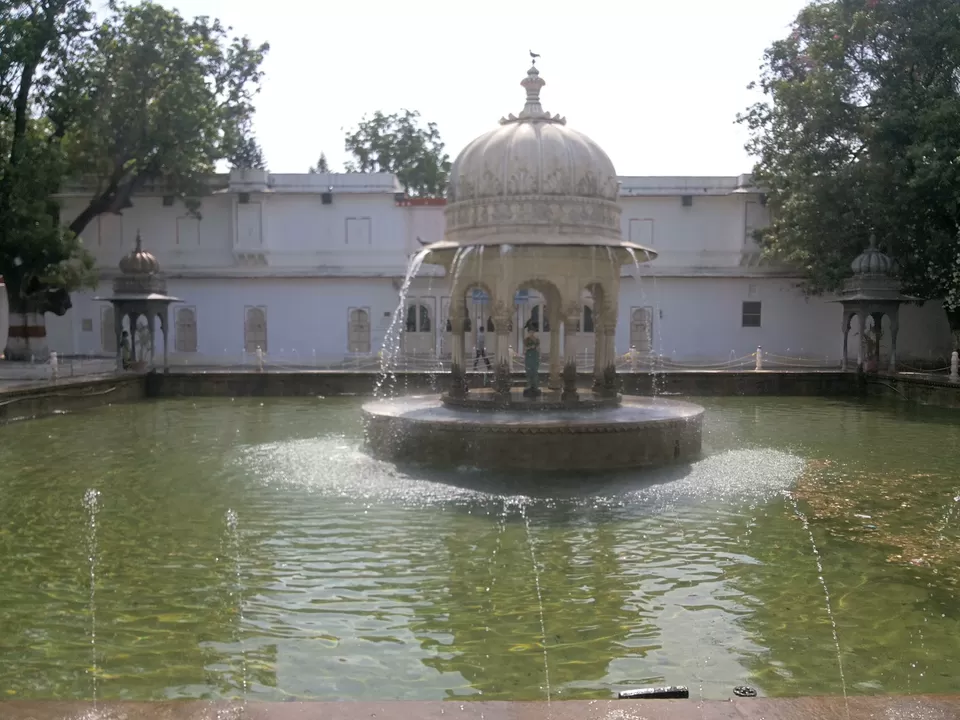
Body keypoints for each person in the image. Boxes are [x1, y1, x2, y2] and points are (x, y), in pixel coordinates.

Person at [522, 326, 541, 396]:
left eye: (532, 332)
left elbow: (538, 348)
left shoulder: (537, 340)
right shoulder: (526, 340)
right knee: (529, 371)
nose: (531, 333)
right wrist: (530, 347)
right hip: (529, 356)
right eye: (530, 332)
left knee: (535, 371)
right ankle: (529, 385)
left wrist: (538, 354)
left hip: (535, 356)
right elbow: (525, 348)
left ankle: (535, 386)